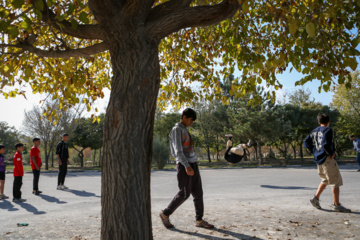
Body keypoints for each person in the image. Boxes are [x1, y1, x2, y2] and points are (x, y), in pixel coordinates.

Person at [160, 108, 214, 229]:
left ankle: (199, 220)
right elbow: (178, 151)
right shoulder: (176, 129)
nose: (191, 123)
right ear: (184, 117)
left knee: (198, 193)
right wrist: (187, 166)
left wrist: (192, 164)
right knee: (184, 194)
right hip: (185, 166)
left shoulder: (184, 129)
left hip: (193, 164)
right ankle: (165, 214)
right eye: (190, 120)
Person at [304, 113, 351, 212]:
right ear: (329, 121)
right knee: (335, 182)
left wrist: (315, 152)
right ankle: (336, 205)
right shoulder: (328, 130)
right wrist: (331, 153)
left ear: (319, 122)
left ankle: (315, 199)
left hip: (319, 160)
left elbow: (306, 143)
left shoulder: (314, 131)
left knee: (325, 180)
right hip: (327, 159)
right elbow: (326, 144)